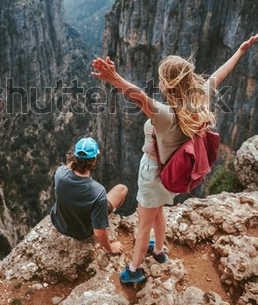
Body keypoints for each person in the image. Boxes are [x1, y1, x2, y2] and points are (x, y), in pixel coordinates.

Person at [91, 34, 258, 283]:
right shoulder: (197, 101)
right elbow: (218, 76)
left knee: (144, 223)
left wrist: (113, 78)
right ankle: (158, 251)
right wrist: (240, 52)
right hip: (171, 174)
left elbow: (136, 95)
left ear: (167, 85)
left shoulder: (164, 115)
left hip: (153, 173)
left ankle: (135, 270)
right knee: (158, 212)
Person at [50, 136, 128, 254]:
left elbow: (69, 166)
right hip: (82, 232)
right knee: (122, 189)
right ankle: (106, 215)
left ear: (74, 158)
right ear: (94, 161)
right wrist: (110, 247)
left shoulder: (60, 174)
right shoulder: (97, 192)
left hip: (59, 223)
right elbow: (99, 232)